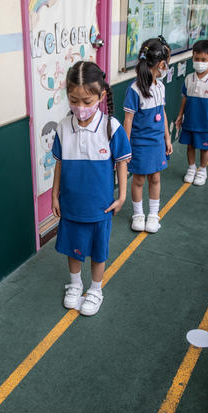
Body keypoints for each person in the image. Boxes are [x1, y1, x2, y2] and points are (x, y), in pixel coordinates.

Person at [52, 60, 131, 316]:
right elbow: (60, 164)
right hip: (71, 204)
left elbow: (122, 162)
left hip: (100, 206)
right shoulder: (63, 127)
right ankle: (75, 285)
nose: (80, 107)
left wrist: (122, 196)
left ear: (101, 96)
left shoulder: (112, 127)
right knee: (72, 248)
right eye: (74, 100)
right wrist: (55, 196)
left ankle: (96, 289)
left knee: (98, 251)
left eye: (87, 101)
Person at [123, 38, 173, 234]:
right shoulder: (134, 90)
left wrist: (167, 138)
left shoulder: (161, 87)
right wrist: (126, 147)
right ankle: (138, 214)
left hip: (157, 142)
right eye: (166, 63)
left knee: (155, 178)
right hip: (140, 144)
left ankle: (153, 215)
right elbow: (128, 120)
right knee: (139, 180)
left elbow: (163, 113)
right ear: (161, 64)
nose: (166, 67)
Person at [174, 39, 208, 186]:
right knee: (190, 145)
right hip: (190, 120)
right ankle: (191, 167)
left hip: (206, 122)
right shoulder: (189, 79)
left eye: (203, 60)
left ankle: (202, 170)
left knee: (205, 147)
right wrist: (180, 115)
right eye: (196, 59)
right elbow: (184, 98)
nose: (199, 62)